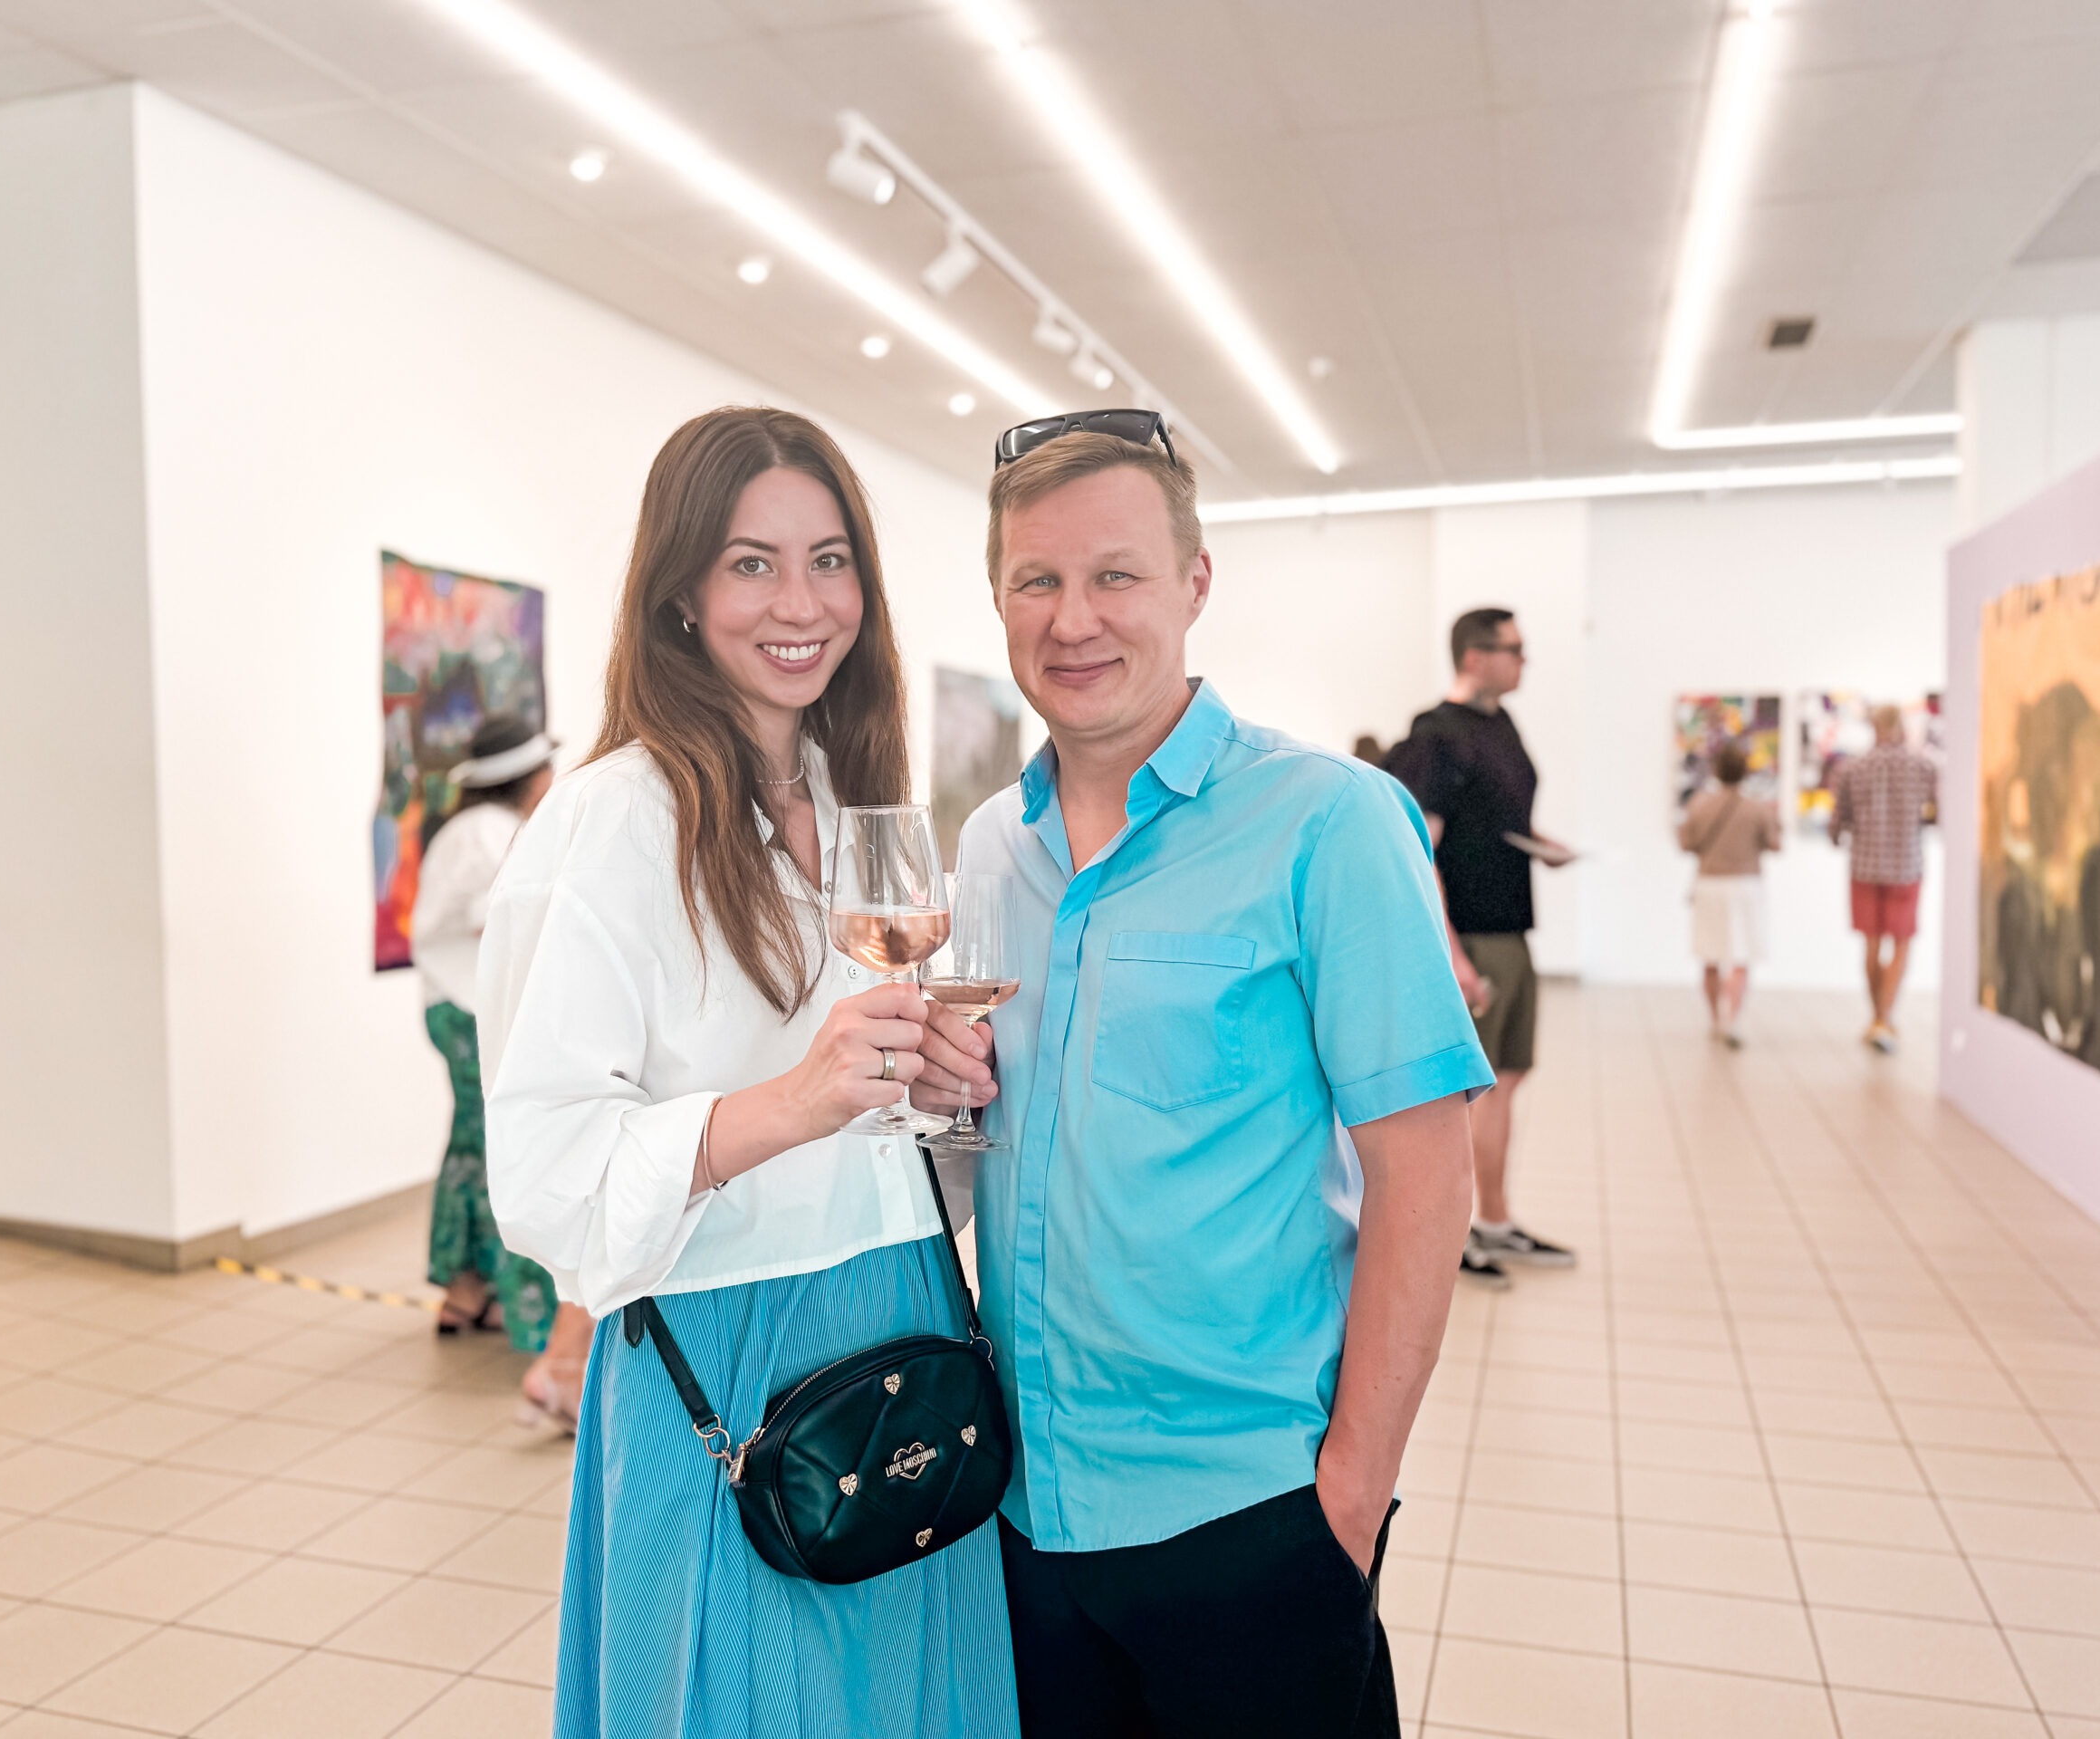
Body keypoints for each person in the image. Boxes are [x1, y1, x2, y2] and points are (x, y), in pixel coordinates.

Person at [910, 412, 1489, 1739]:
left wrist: (1350, 1497)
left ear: (1193, 584)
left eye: (1114, 575)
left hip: (1253, 1515)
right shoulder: (992, 846)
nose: (1073, 620)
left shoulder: (1329, 821)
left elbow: (1425, 1176)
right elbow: (982, 1143)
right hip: (1023, 1508)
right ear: (999, 599)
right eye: (1037, 581)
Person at [478, 407, 1014, 1738]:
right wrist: (789, 1104)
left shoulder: (852, 796)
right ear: (680, 593)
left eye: (830, 562)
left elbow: (876, 1126)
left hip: (903, 1312)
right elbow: (544, 1179)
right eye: (751, 564)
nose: (801, 603)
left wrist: (930, 1087)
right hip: (728, 1352)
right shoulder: (613, 820)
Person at [1384, 608, 1575, 1287]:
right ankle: (1453, 1234)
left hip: (1510, 927)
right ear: (1474, 656)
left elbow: (1495, 820)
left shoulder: (1502, 727)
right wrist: (1454, 957)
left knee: (1510, 1077)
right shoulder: (1435, 737)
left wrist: (1540, 845)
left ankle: (1494, 1220)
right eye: (1513, 649)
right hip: (1469, 937)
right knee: (1473, 1093)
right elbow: (1418, 852)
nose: (1524, 661)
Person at [411, 712, 591, 1428]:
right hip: (469, 1011)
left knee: (471, 1150)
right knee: (504, 1151)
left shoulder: (470, 828)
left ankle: (466, 1292)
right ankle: (536, 1332)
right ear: (530, 775)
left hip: (453, 1008)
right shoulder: (488, 832)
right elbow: (509, 916)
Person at [1830, 701, 1937, 1053]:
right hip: (1906, 866)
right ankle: (1885, 1018)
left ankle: (1877, 1017)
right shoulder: (1922, 767)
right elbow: (1937, 814)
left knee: (1872, 943)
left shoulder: (1852, 768)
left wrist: (1842, 835)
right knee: (1901, 944)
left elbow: (1838, 821)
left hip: (1865, 866)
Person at [1678, 738, 1781, 1048]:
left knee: (1710, 955)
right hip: (1745, 887)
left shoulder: (1700, 805)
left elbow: (1686, 843)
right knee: (1741, 955)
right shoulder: (1757, 808)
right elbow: (1775, 844)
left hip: (1709, 885)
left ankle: (1715, 1019)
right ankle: (1732, 1020)